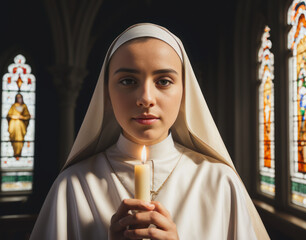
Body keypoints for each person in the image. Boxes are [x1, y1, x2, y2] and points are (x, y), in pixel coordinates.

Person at [30, 23, 270, 239]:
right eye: (128, 81)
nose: (145, 98)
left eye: (163, 81)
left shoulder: (220, 183)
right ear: (106, 93)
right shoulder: (73, 186)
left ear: (184, 92)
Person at [6, 93, 31, 158]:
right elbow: (8, 115)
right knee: (13, 138)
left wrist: (21, 117)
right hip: (13, 125)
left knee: (20, 139)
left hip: (20, 127)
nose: (19, 99)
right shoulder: (13, 106)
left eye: (20, 97)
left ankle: (18, 153)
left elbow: (27, 116)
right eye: (18, 97)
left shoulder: (24, 106)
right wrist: (14, 116)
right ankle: (15, 153)